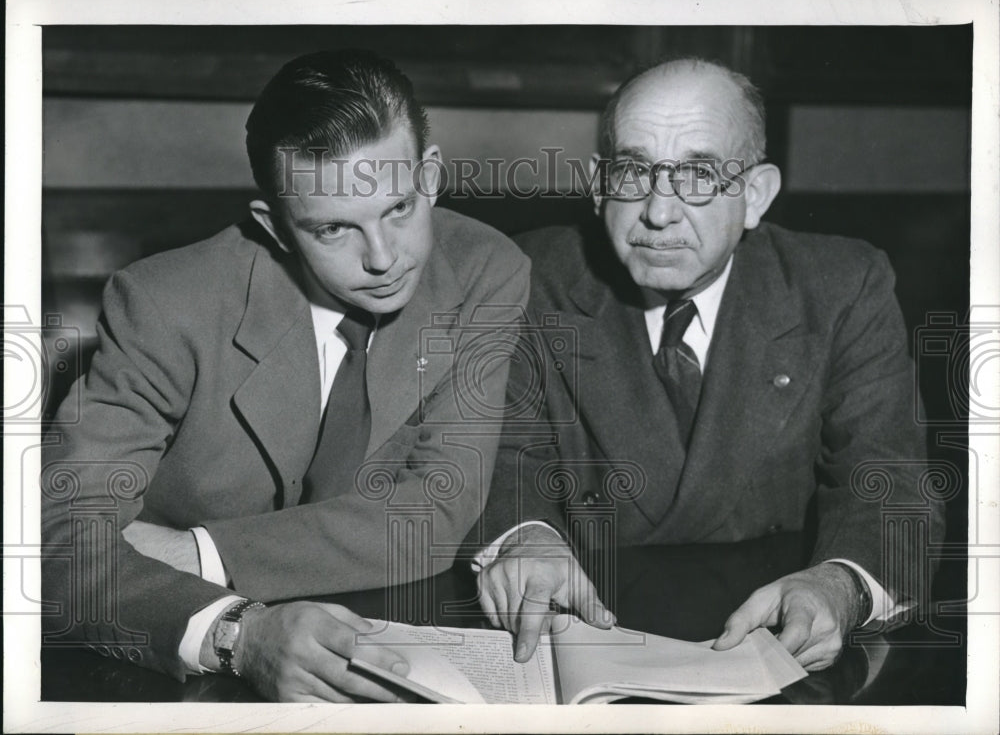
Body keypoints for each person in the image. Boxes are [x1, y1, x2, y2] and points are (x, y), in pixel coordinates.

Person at [41, 49, 530, 702]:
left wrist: (199, 551)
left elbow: (435, 513)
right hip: (167, 668)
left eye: (399, 207)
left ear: (431, 175)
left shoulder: (483, 269)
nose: (384, 258)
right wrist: (238, 634)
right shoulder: (165, 303)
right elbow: (53, 541)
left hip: (381, 642)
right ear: (275, 227)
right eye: (333, 228)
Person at [474, 57, 943, 672]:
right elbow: (502, 456)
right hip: (586, 635)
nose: (659, 213)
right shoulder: (526, 277)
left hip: (770, 641)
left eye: (698, 175)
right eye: (634, 171)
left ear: (754, 196)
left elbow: (887, 479)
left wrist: (841, 584)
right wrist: (524, 536)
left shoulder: (841, 287)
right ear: (597, 185)